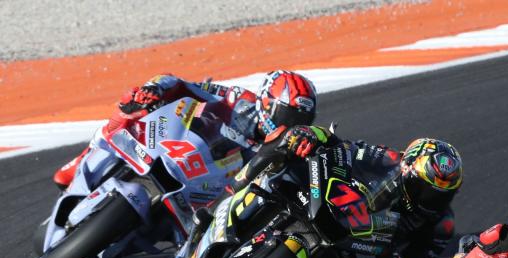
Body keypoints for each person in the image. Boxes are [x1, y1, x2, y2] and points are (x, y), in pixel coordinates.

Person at [214, 125, 464, 258]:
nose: (431, 200)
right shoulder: (387, 159)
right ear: (408, 170)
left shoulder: (441, 226)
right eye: (426, 189)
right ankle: (235, 190)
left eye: (442, 195)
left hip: (365, 248)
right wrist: (310, 136)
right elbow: (339, 144)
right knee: (285, 136)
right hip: (330, 203)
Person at [52, 70, 318, 189]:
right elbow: (182, 84)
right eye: (287, 114)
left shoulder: (287, 148)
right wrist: (153, 90)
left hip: (210, 186)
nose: (290, 124)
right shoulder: (240, 99)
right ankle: (91, 152)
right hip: (181, 144)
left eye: (298, 120)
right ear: (268, 101)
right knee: (136, 107)